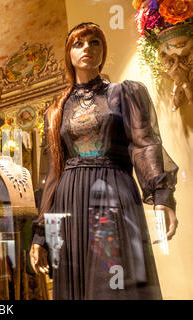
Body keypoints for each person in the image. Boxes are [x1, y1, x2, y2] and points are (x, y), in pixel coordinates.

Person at [30, 22, 178, 300]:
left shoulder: (124, 93)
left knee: (115, 282)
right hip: (69, 202)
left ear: (103, 50)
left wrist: (161, 195)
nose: (87, 47)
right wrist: (40, 236)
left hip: (113, 196)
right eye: (79, 43)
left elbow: (144, 143)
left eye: (94, 42)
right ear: (69, 53)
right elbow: (51, 176)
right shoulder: (54, 111)